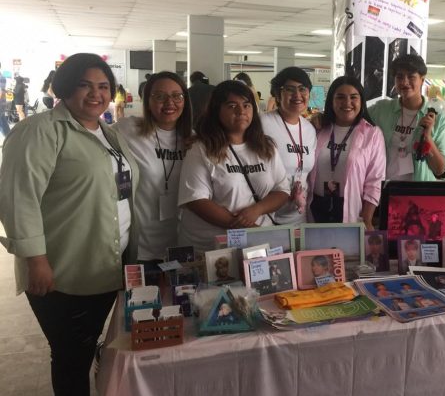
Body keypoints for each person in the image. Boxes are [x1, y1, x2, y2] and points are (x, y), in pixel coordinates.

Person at [0, 53, 139, 396]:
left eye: (104, 86)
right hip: (63, 270)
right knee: (70, 357)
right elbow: (18, 199)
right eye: (84, 85)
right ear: (65, 87)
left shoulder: (107, 133)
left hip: (104, 264)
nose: (96, 94)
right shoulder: (39, 131)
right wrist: (36, 261)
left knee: (82, 346)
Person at [178, 81, 290, 251]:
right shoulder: (201, 148)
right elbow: (197, 201)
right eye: (232, 106)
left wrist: (257, 210)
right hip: (213, 247)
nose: (241, 111)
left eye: (246, 105)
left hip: (257, 243)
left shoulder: (266, 146)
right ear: (216, 110)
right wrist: (250, 229)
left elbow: (282, 190)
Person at [112, 72, 192, 265]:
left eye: (177, 96)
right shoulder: (128, 129)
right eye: (160, 96)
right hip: (141, 245)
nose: (169, 102)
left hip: (182, 242)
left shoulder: (193, 139)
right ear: (147, 101)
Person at [307, 76, 385, 228]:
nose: (347, 103)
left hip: (349, 207)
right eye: (340, 97)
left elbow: (375, 180)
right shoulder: (319, 128)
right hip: (316, 205)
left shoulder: (372, 134)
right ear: (331, 101)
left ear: (361, 101)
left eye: (353, 97)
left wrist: (367, 219)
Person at [370, 54, 445, 182]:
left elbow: (440, 170)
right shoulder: (381, 109)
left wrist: (427, 138)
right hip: (385, 188)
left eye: (411, 77)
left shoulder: (439, 118)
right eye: (399, 77)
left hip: (418, 191)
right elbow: (355, 118)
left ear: (422, 80)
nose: (404, 82)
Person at [260, 67, 317, 225]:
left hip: (299, 218)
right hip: (267, 218)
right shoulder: (262, 123)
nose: (297, 95)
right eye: (289, 89)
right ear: (278, 95)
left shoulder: (310, 129)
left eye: (302, 89)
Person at [0, 74, 9, 139]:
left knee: (2, 122)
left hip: (0, 103)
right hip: (2, 103)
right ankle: (9, 137)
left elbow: (2, 92)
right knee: (2, 120)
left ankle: (9, 138)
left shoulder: (1, 78)